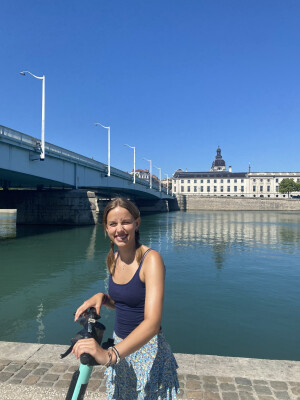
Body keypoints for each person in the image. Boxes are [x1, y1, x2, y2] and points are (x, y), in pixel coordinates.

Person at [73, 197, 179, 400]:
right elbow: (125, 303)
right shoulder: (113, 258)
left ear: (137, 223)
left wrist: (110, 354)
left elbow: (152, 323)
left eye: (126, 222)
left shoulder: (151, 260)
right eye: (113, 224)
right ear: (105, 228)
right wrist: (103, 298)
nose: (119, 229)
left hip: (147, 351)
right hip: (121, 346)